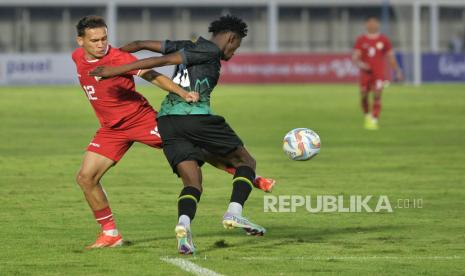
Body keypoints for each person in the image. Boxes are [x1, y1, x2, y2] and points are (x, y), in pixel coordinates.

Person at [73, 15, 274, 249]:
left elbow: (153, 75)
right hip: (111, 129)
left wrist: (181, 92)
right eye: (95, 40)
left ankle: (247, 175)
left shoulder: (117, 59)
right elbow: (142, 46)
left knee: (194, 148)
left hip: (141, 120)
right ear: (80, 41)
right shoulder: (77, 57)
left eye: (104, 39)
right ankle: (110, 234)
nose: (101, 44)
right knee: (86, 178)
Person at [353, 16, 403, 130]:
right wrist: (361, 64)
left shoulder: (384, 40)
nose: (372, 25)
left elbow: (390, 57)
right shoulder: (361, 40)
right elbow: (355, 57)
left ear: (378, 25)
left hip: (379, 73)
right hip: (365, 73)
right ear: (366, 25)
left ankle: (374, 120)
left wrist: (397, 70)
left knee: (377, 94)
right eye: (370, 23)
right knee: (364, 94)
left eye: (374, 23)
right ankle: (367, 115)